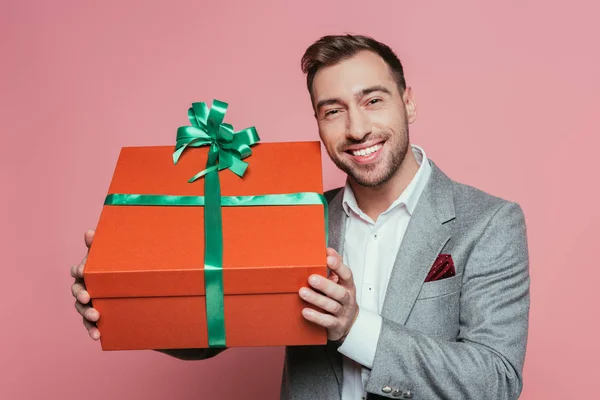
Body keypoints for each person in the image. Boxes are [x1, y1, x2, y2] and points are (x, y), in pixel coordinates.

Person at [70, 34, 530, 399]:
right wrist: (126, 306)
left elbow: (495, 380)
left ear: (408, 101)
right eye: (333, 111)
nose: (356, 129)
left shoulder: (489, 223)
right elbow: (217, 329)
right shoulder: (295, 216)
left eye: (373, 101)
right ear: (317, 121)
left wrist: (355, 327)